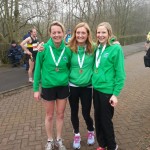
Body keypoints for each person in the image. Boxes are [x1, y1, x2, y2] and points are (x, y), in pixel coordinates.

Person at [33, 21, 71, 150]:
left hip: (63, 86)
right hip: (48, 87)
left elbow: (71, 66)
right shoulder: (43, 49)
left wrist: (113, 42)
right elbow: (37, 69)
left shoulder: (67, 50)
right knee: (49, 115)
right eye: (54, 32)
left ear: (63, 33)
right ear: (50, 33)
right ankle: (50, 140)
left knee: (60, 115)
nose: (56, 35)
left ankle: (59, 140)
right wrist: (35, 89)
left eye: (59, 32)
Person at [92, 22, 126, 150]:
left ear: (109, 33)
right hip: (96, 89)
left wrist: (115, 94)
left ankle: (112, 146)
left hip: (107, 91)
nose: (100, 35)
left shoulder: (116, 49)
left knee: (106, 121)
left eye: (103, 32)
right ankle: (102, 144)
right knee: (98, 118)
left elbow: (120, 74)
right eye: (98, 32)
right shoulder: (97, 47)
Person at [68, 22, 95, 149]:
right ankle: (77, 134)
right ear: (75, 34)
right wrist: (42, 47)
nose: (80, 35)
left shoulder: (93, 47)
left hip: (87, 87)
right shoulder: (69, 47)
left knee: (85, 112)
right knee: (74, 112)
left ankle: (90, 131)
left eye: (83, 32)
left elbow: (107, 44)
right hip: (73, 85)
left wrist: (114, 41)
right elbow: (55, 49)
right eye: (78, 32)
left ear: (87, 34)